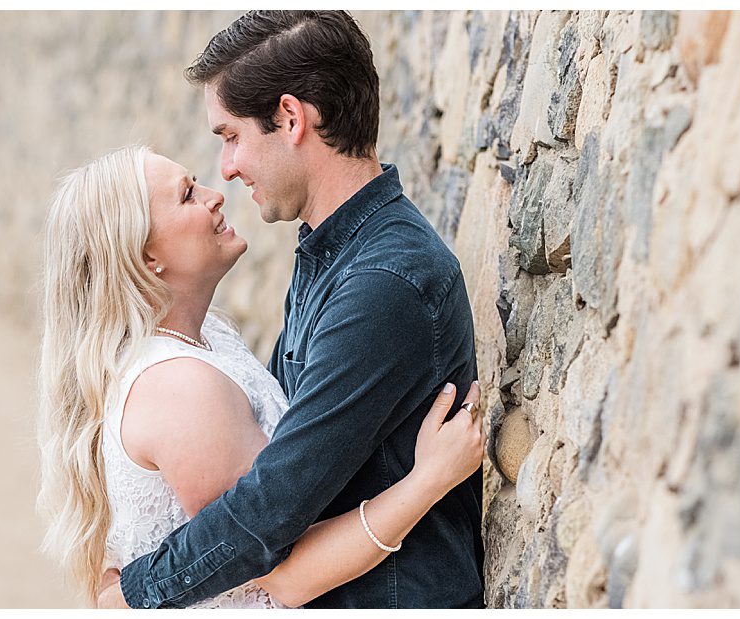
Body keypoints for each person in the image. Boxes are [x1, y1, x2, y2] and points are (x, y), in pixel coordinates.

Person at [99, 10, 484, 608]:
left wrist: (133, 594)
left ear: (289, 117)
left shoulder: (383, 283)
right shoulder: (329, 253)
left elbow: (268, 509)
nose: (226, 168)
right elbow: (280, 438)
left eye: (230, 137)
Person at [37, 145, 485, 608]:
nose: (216, 194)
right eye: (188, 195)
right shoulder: (180, 390)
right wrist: (429, 479)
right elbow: (288, 576)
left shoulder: (206, 336)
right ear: (147, 257)